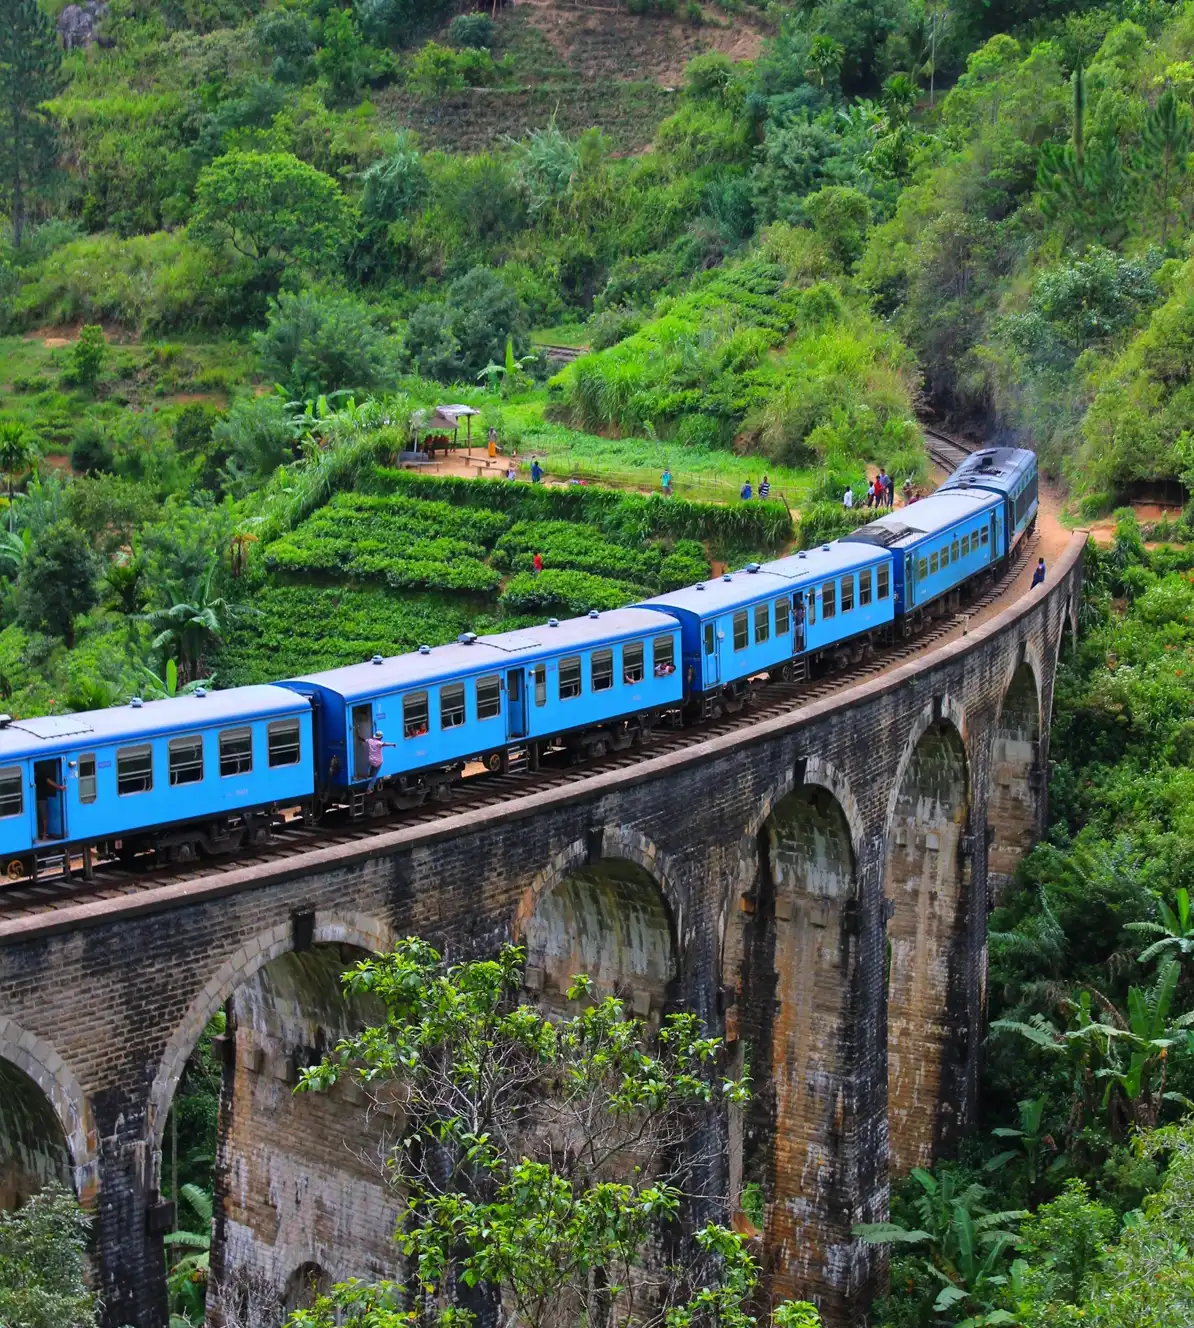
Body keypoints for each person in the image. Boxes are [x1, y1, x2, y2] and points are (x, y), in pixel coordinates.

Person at [36, 767, 65, 839]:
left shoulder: (38, 773)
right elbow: (49, 782)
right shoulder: (40, 772)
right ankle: (43, 834)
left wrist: (59, 787)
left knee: (42, 817)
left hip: (38, 798)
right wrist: (60, 787)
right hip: (40, 798)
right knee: (43, 817)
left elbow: (49, 781)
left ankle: (44, 834)